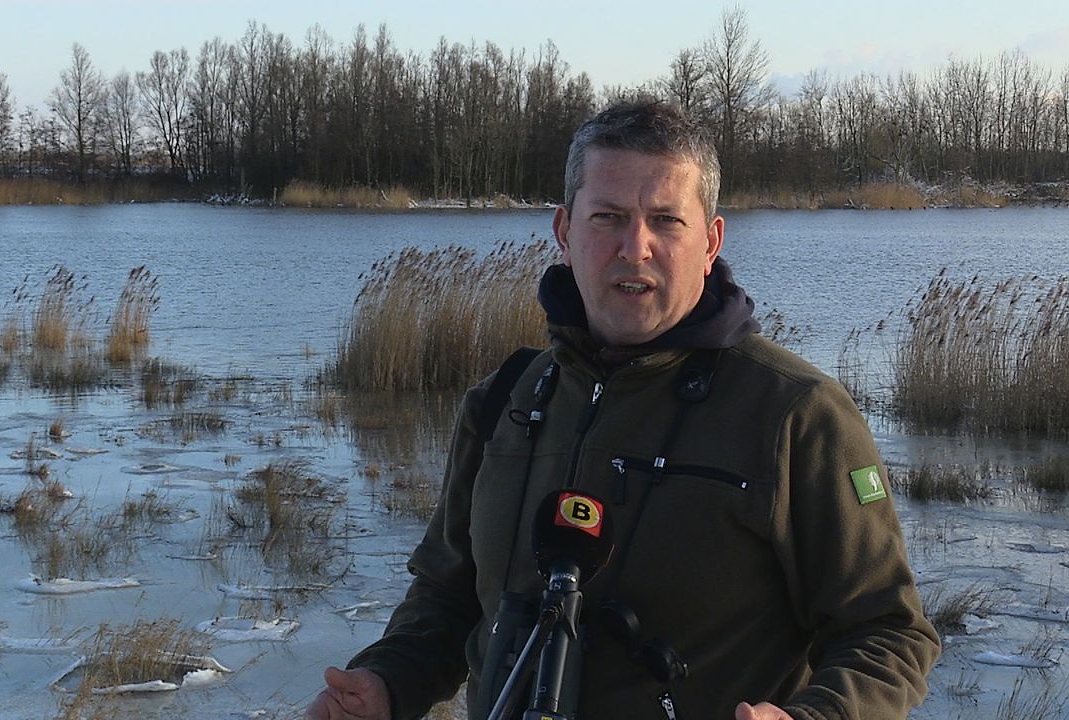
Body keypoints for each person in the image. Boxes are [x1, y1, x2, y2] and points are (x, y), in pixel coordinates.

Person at [306, 100, 940, 720]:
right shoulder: (503, 400)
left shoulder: (796, 414)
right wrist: (384, 685)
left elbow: (890, 633)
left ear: (711, 241)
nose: (635, 247)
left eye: (666, 220)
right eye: (607, 217)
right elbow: (446, 599)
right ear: (564, 231)